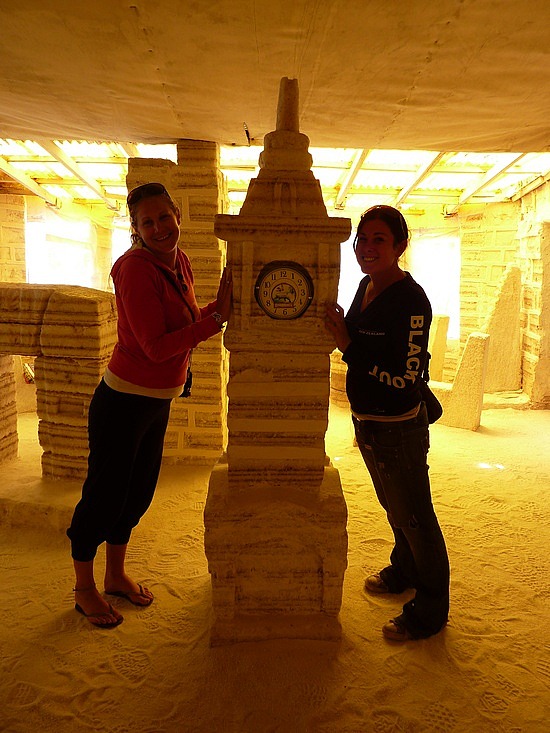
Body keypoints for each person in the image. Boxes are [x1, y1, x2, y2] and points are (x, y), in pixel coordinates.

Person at [67, 182, 232, 628]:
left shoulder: (179, 261)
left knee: (136, 494)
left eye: (164, 217)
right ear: (136, 228)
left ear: (177, 214)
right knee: (103, 498)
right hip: (123, 401)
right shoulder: (134, 269)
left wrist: (220, 306)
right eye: (147, 222)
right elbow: (156, 347)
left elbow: (185, 322)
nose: (159, 228)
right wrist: (218, 319)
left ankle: (115, 575)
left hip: (156, 401)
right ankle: (84, 589)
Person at [325, 205, 449, 641]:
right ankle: (405, 569)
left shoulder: (412, 301)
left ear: (400, 246)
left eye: (378, 239)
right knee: (395, 507)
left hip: (398, 426)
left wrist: (347, 345)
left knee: (416, 516)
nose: (366, 247)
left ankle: (429, 612)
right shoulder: (366, 286)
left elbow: (404, 377)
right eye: (362, 238)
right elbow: (355, 336)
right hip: (368, 421)